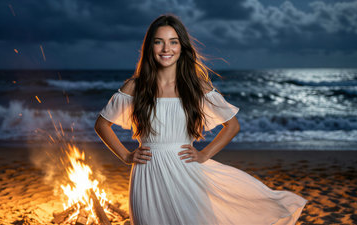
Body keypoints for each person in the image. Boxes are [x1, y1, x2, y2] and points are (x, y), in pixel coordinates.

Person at [95, 14, 307, 225]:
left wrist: (204, 154)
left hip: (186, 172)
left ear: (182, 47)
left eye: (173, 42)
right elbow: (102, 124)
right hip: (147, 174)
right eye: (159, 42)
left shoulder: (196, 86)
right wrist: (125, 155)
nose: (166, 49)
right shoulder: (135, 86)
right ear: (150, 47)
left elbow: (232, 125)